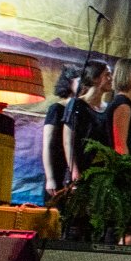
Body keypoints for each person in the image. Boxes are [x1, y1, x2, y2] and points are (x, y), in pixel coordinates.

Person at [62, 59, 112, 181]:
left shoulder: (109, 108)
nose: (111, 78)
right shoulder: (77, 104)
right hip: (82, 171)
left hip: (103, 174)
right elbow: (68, 141)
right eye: (107, 74)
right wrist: (74, 171)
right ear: (95, 78)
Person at [42, 67, 76, 201]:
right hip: (57, 167)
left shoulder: (81, 110)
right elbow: (47, 145)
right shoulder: (57, 109)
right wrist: (50, 178)